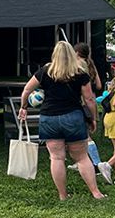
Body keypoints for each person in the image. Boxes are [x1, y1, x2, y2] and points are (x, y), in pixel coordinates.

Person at [18, 41, 106, 200]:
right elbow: (89, 99)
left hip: (49, 118)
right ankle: (96, 192)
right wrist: (93, 118)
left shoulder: (45, 71)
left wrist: (24, 107)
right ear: (72, 54)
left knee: (56, 158)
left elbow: (27, 90)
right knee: (81, 157)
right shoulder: (80, 73)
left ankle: (63, 195)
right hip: (73, 117)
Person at [73, 42, 103, 168]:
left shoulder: (77, 66)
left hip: (82, 103)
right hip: (91, 100)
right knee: (80, 135)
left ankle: (97, 163)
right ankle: (80, 160)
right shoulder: (91, 65)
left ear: (77, 53)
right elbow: (99, 85)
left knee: (86, 136)